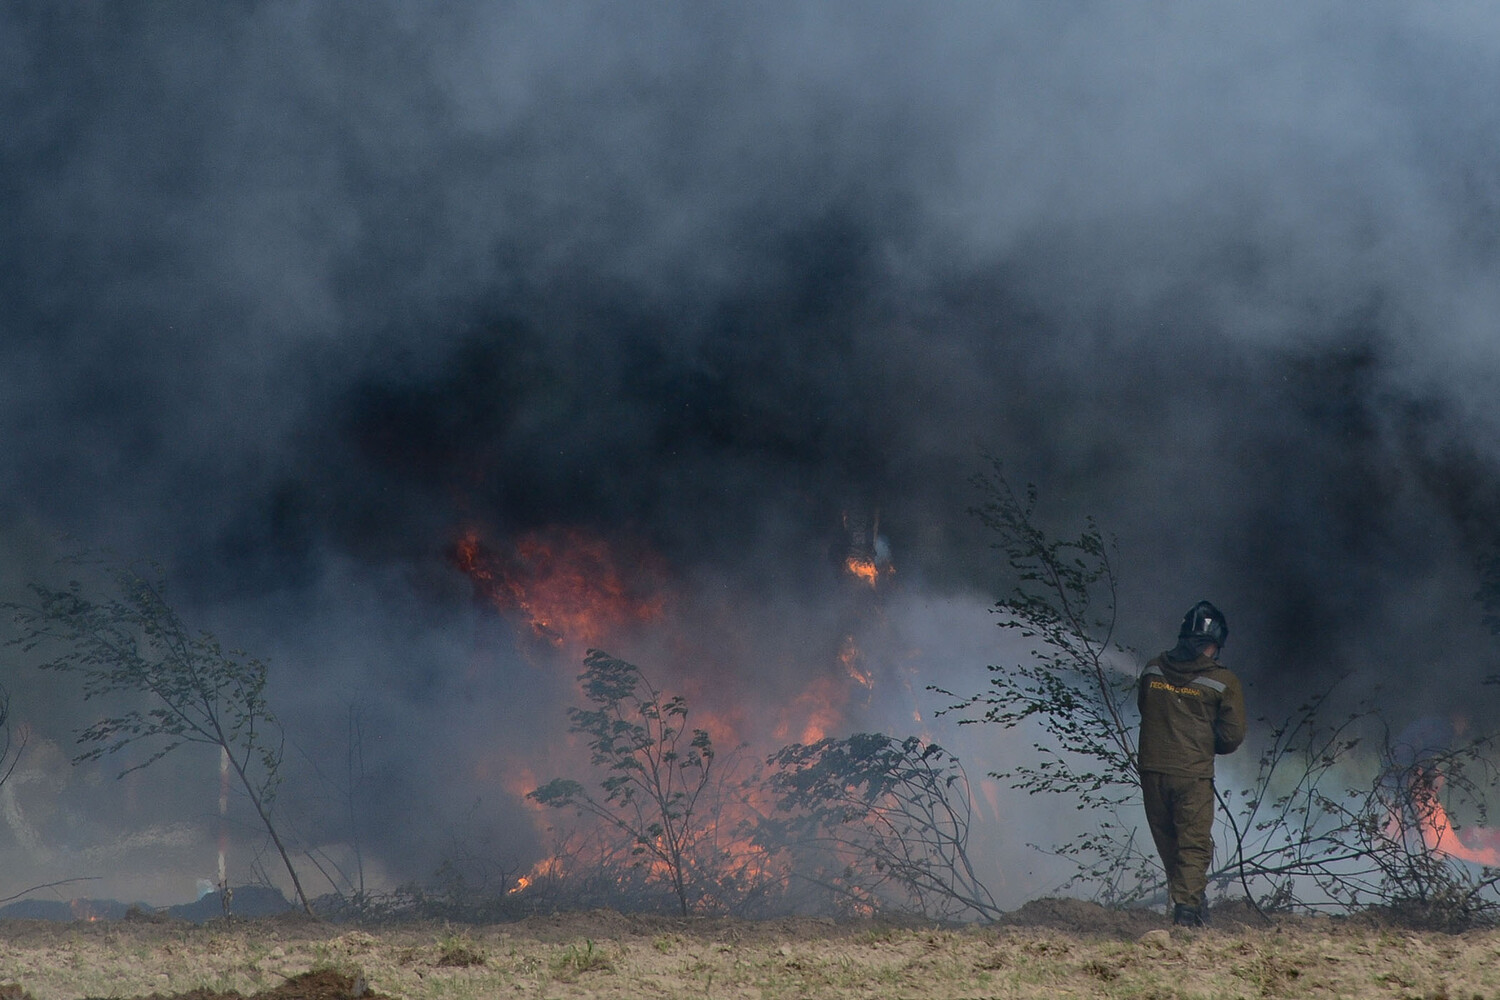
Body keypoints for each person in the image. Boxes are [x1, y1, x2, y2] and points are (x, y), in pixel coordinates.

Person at [1137, 600, 1246, 927]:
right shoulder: (1223, 681)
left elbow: (1145, 708)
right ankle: (1187, 916)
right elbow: (1232, 736)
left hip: (1152, 771)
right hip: (1192, 775)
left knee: (1169, 843)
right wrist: (1200, 742)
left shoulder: (1152, 670)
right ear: (1213, 644)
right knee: (1193, 845)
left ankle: (1194, 904)